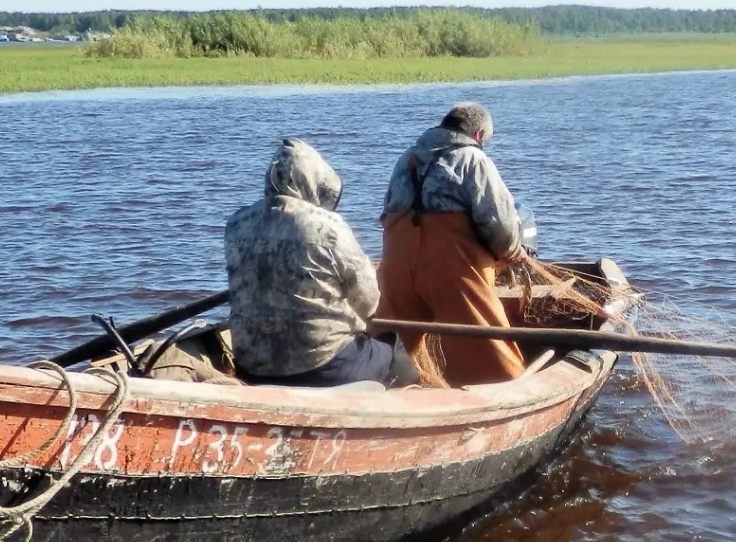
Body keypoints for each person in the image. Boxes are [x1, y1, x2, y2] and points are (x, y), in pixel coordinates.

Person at [225, 138, 417, 388]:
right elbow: (369, 302)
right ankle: (410, 409)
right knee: (394, 347)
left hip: (252, 365)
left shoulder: (236, 224)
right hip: (323, 365)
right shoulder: (330, 227)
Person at [377, 101, 529, 386]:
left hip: (397, 270)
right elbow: (500, 225)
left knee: (389, 349)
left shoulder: (406, 158)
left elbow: (387, 215)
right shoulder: (474, 160)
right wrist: (513, 252)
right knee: (493, 357)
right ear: (479, 135)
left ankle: (379, 391)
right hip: (452, 274)